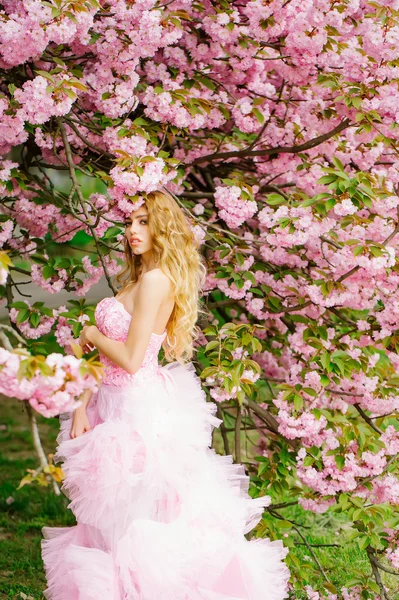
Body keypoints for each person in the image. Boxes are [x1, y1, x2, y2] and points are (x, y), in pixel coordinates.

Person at [41, 189, 290, 599]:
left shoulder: (156, 281)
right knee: (111, 511)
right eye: (129, 222)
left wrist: (88, 333)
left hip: (139, 409)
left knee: (142, 514)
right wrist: (83, 403)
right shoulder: (137, 280)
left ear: (163, 229)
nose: (132, 231)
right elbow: (106, 361)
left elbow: (132, 358)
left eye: (143, 222)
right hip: (111, 402)